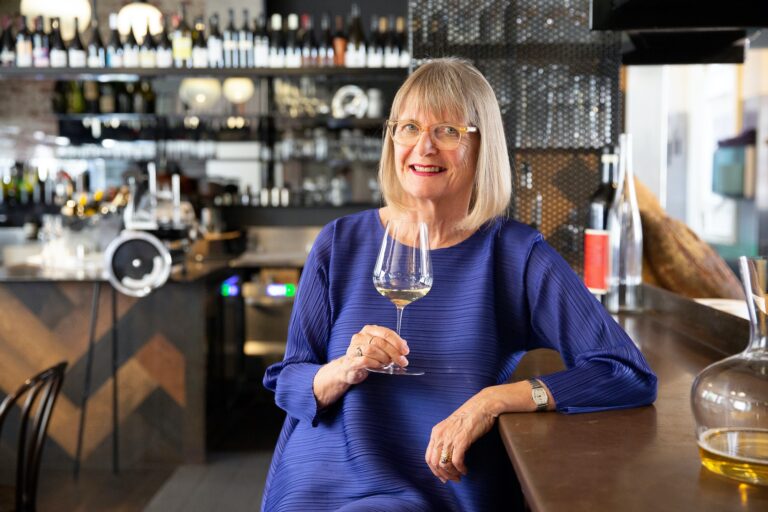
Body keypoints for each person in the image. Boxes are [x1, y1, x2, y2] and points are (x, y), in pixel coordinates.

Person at [262, 58, 657, 511]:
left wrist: (490, 403)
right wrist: (342, 370)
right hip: (322, 482)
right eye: (408, 127)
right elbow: (288, 382)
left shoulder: (514, 255)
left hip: (436, 488)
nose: (423, 147)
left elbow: (627, 374)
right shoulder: (339, 243)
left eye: (447, 131)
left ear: (481, 146)